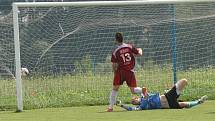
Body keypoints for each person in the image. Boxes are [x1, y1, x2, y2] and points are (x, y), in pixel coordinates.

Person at [116, 78, 208, 111]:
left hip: (167, 96)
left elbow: (144, 90)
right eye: (133, 102)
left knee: (184, 81)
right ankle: (199, 101)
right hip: (168, 105)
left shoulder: (144, 96)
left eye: (133, 100)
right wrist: (121, 105)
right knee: (184, 105)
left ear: (136, 97)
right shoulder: (141, 107)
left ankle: (173, 88)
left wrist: (143, 90)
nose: (134, 102)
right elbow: (130, 109)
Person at [107, 32, 143, 112]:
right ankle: (143, 90)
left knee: (115, 89)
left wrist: (114, 73)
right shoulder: (129, 46)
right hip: (130, 71)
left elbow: (114, 65)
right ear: (123, 38)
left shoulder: (115, 51)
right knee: (133, 90)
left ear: (116, 40)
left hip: (120, 72)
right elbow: (139, 54)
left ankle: (110, 108)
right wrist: (140, 49)